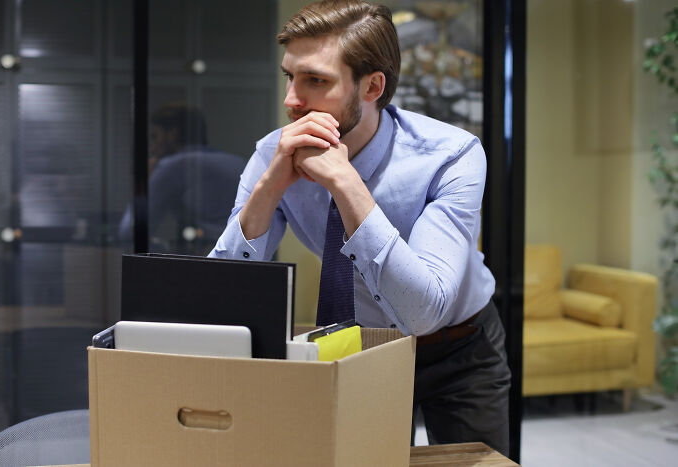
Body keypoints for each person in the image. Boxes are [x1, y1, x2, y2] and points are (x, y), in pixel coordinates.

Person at [208, 0, 510, 455]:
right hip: (360, 348)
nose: (291, 100)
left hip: (459, 348)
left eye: (316, 80)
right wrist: (270, 188)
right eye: (290, 76)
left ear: (372, 86)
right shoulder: (275, 154)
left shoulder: (451, 155)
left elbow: (423, 311)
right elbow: (221, 293)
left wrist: (345, 182)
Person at [119, 103, 245, 255]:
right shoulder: (237, 161)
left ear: (173, 133)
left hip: (214, 259)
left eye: (155, 136)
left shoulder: (172, 166)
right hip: (251, 258)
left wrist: (143, 182)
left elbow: (129, 233)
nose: (152, 148)